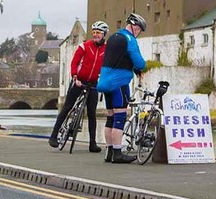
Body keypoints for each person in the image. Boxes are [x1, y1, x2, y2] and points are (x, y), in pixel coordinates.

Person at [49, 20, 109, 153]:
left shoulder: (107, 50)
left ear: (104, 34)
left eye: (98, 33)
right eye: (93, 32)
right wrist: (75, 77)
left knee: (92, 114)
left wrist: (103, 80)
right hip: (79, 81)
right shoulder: (84, 46)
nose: (95, 35)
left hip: (93, 84)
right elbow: (74, 62)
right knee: (67, 108)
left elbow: (108, 67)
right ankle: (53, 136)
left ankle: (92, 143)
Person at [96, 13, 147, 163]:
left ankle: (109, 151)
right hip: (119, 83)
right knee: (120, 117)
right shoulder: (129, 39)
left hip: (105, 82)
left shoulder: (113, 37)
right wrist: (139, 68)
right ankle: (118, 153)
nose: (138, 33)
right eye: (139, 30)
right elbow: (140, 63)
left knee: (110, 117)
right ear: (135, 27)